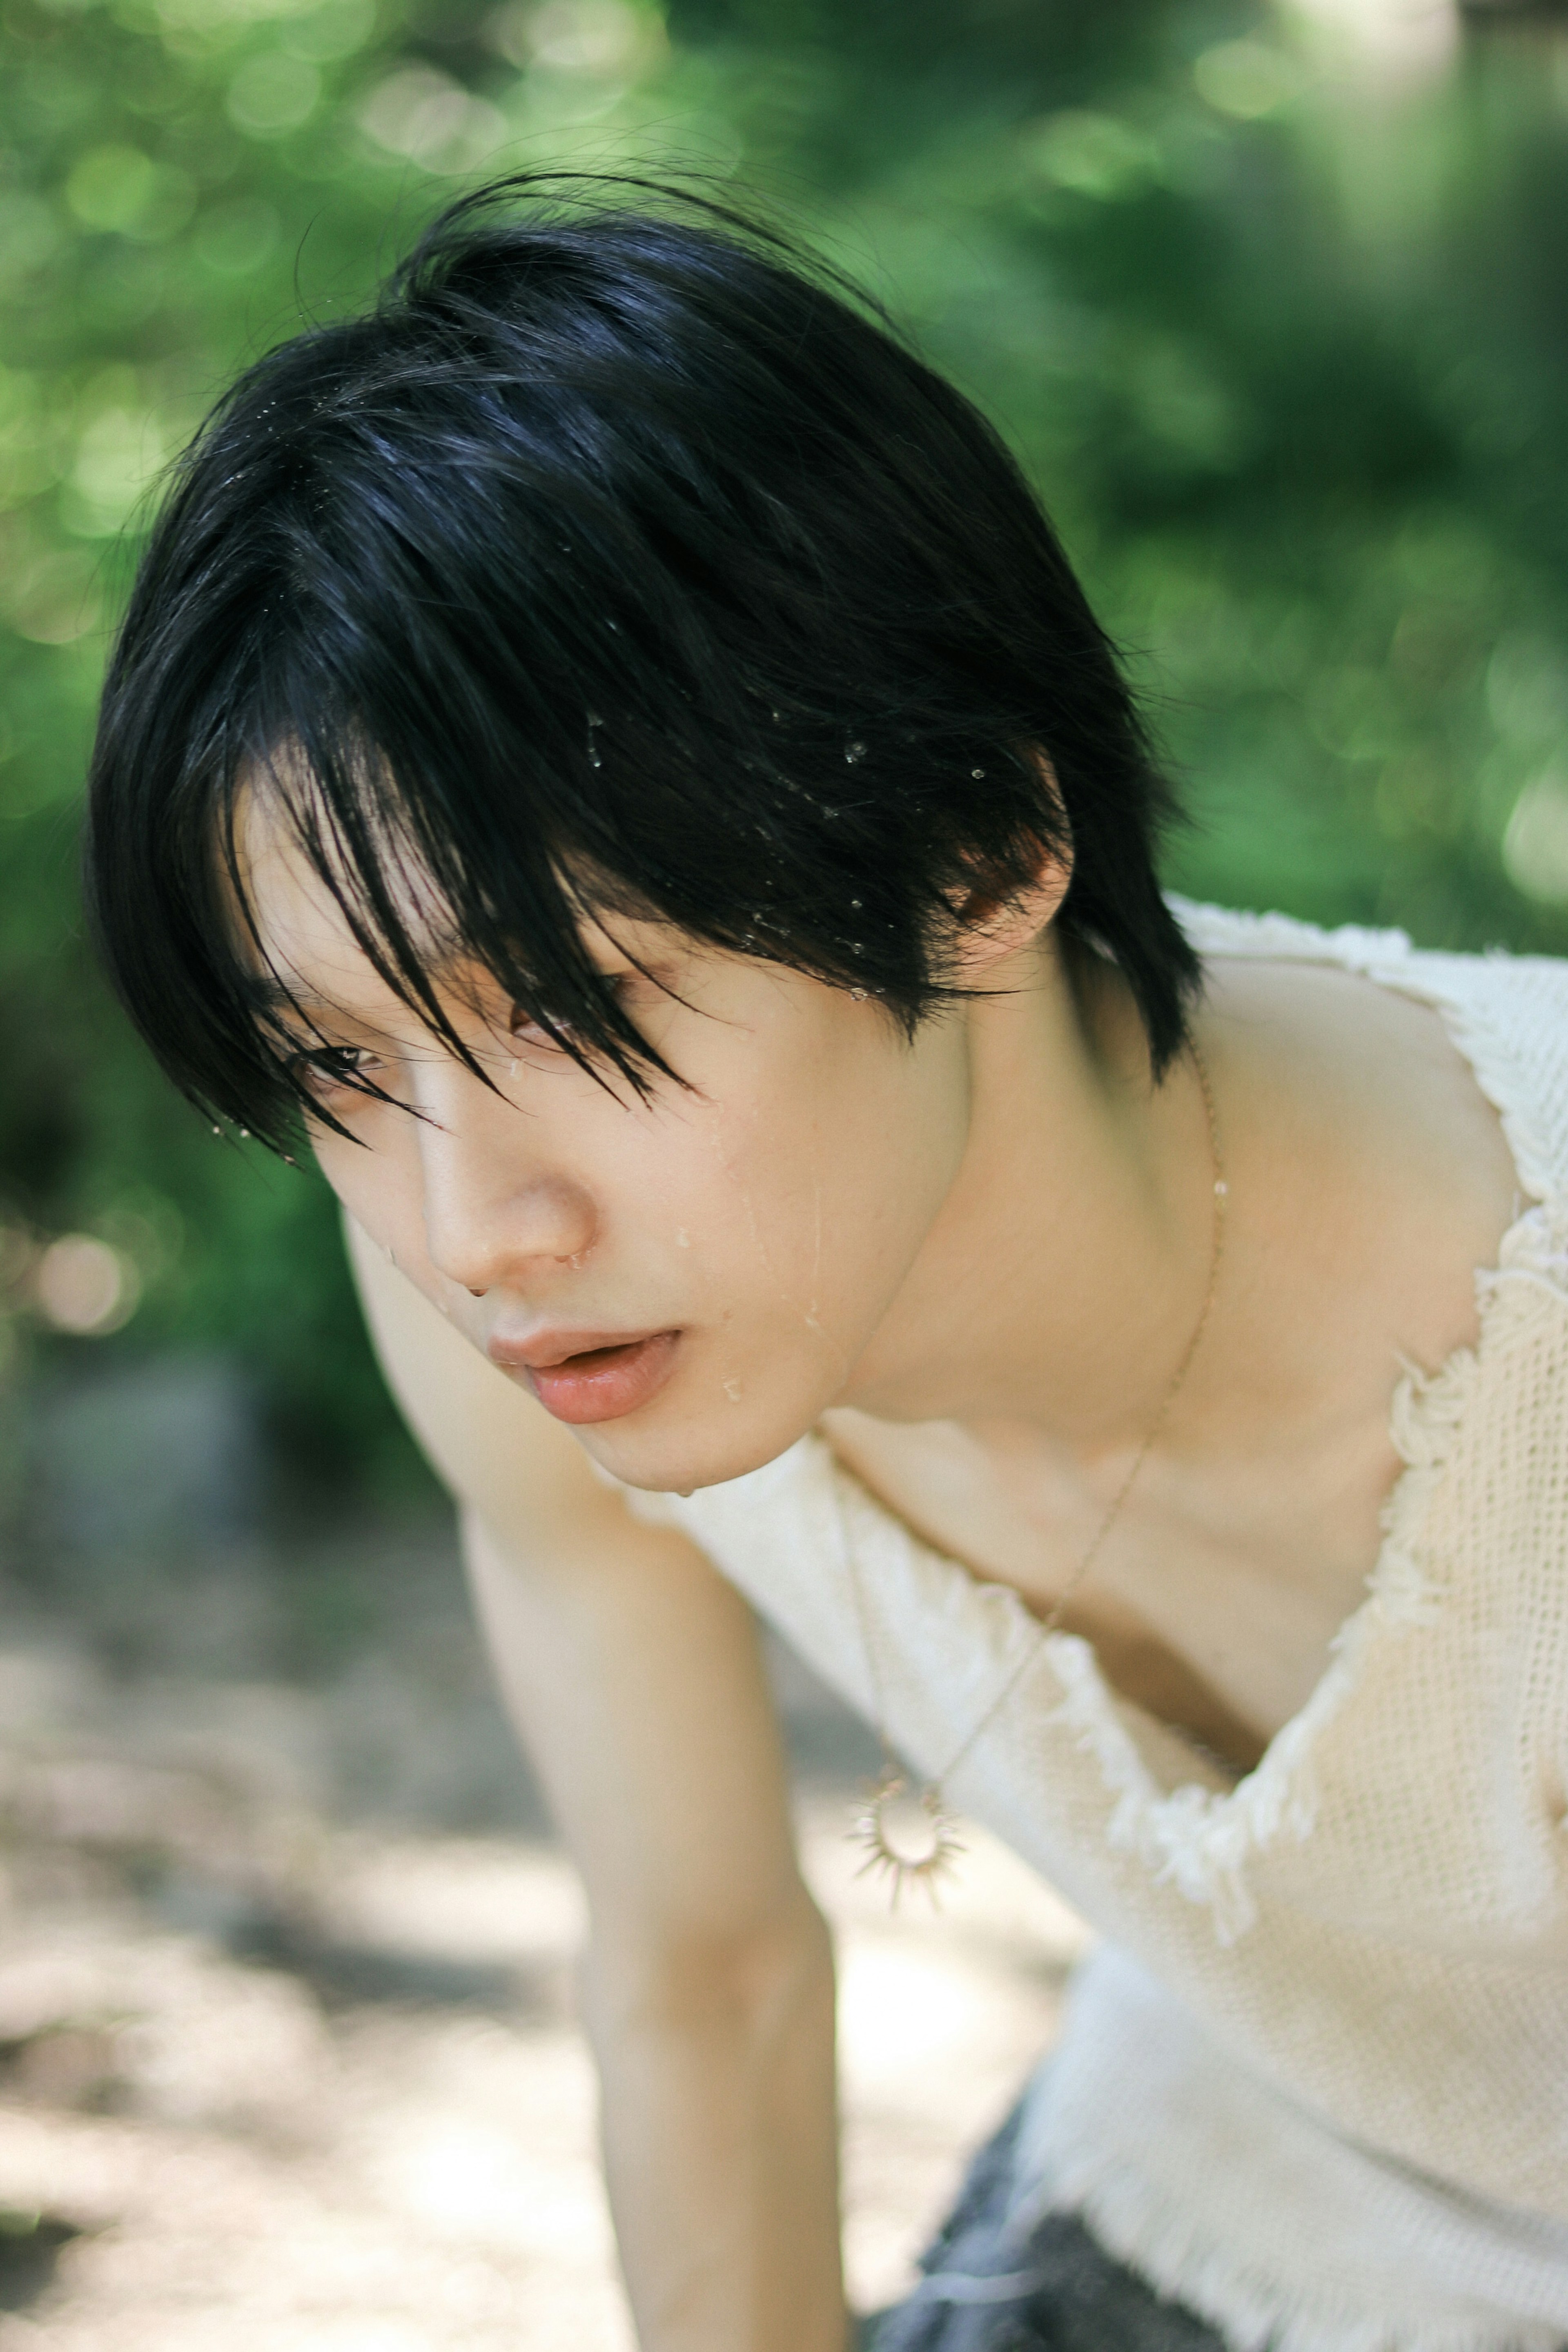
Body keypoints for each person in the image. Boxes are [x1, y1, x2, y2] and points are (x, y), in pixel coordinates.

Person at [83, 172, 1568, 2352]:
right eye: (338, 1053)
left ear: (981, 851)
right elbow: (707, 1981)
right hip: (1259, 2182)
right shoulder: (527, 1292)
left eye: (576, 1007)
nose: (465, 1221)